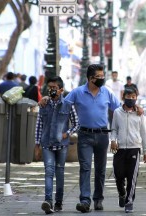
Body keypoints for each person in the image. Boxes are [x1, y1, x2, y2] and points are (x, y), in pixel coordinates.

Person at [65, 64, 121, 213]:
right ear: (90, 78)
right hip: (84, 136)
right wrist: (46, 99)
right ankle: (84, 200)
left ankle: (98, 199)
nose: (102, 79)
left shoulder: (107, 92)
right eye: (99, 77)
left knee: (101, 170)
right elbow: (63, 105)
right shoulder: (77, 92)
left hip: (103, 135)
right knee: (85, 168)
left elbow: (119, 109)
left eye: (103, 77)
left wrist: (135, 108)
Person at [35, 76, 79, 214]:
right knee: (49, 171)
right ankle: (48, 201)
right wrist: (37, 145)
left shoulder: (68, 104)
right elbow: (39, 125)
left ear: (61, 89)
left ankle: (58, 202)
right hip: (47, 144)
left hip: (62, 145)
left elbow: (77, 123)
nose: (51, 90)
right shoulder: (44, 104)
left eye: (54, 88)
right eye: (50, 88)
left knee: (59, 173)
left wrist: (68, 133)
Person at [110, 87, 146, 213]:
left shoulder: (139, 113)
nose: (131, 99)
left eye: (134, 97)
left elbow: (144, 132)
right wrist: (113, 140)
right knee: (118, 174)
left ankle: (129, 201)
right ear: (123, 96)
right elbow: (114, 128)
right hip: (120, 149)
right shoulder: (117, 112)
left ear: (136, 98)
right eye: (129, 96)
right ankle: (122, 193)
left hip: (134, 149)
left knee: (132, 177)